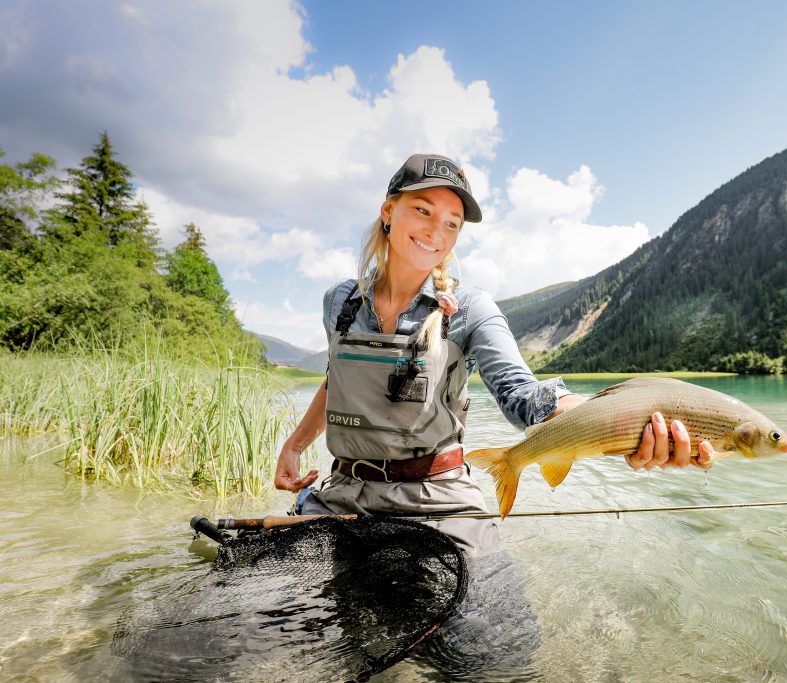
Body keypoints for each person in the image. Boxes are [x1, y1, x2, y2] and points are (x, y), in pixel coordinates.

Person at [273, 153, 715, 553]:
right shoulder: (340, 301)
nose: (436, 232)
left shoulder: (471, 309)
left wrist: (626, 423)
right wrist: (294, 446)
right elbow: (338, 380)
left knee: (497, 638)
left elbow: (522, 395)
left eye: (451, 223)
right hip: (343, 492)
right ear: (388, 211)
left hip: (438, 496)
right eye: (423, 211)